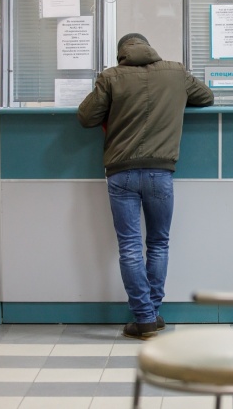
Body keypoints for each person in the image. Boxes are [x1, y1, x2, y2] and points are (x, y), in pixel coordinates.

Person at [77, 33, 214, 339]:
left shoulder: (111, 77)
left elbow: (86, 117)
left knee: (130, 247)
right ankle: (152, 314)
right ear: (150, 49)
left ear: (121, 54)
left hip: (121, 174)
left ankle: (144, 318)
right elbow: (206, 97)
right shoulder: (176, 72)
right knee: (158, 243)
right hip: (160, 173)